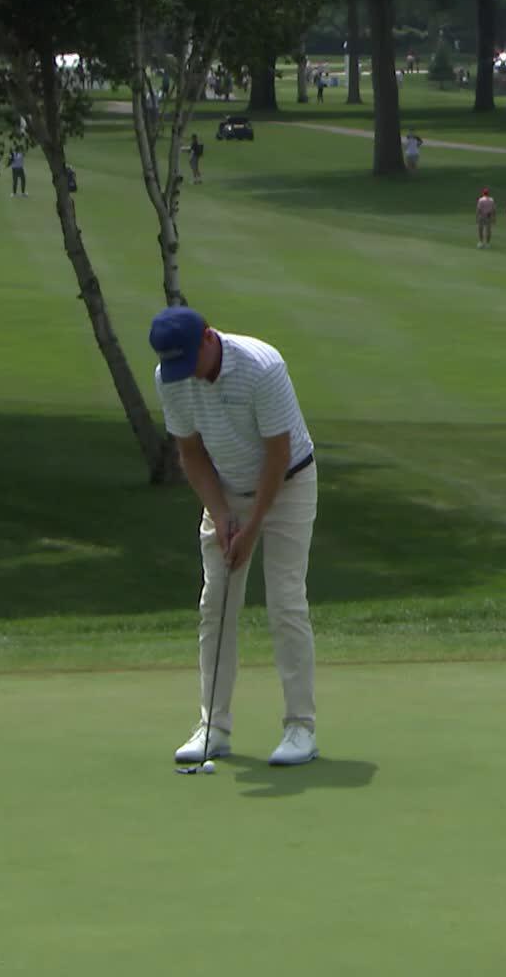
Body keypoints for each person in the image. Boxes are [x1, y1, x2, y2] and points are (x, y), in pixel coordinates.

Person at [150, 306, 322, 769]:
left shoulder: (262, 366)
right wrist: (223, 512)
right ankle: (214, 726)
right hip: (226, 487)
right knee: (216, 602)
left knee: (285, 600)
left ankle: (300, 727)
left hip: (287, 484)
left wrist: (252, 527)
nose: (189, 377)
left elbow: (278, 454)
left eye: (191, 362)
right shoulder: (172, 376)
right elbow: (189, 451)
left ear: (209, 338)